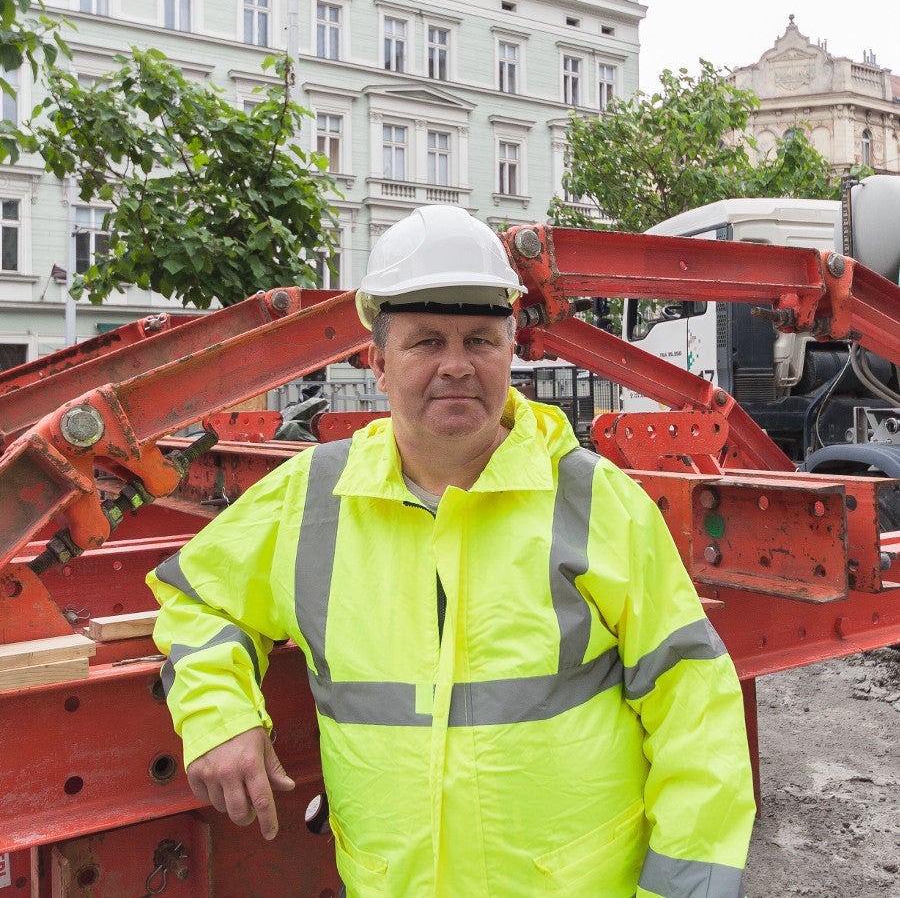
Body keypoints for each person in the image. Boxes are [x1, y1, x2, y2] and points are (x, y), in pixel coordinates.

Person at [149, 205, 756, 897]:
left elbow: (696, 711)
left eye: (480, 340)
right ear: (377, 363)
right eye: (426, 342)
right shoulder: (312, 500)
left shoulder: (595, 501)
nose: (457, 366)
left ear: (510, 353)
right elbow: (199, 597)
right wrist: (220, 717)